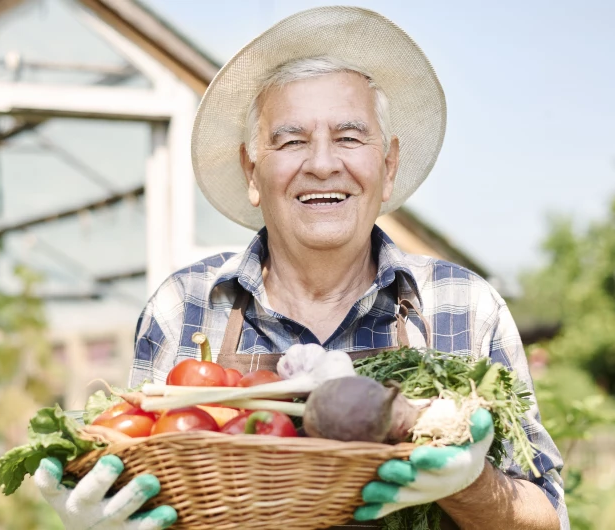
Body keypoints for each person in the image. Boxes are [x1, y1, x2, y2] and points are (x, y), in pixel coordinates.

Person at [34, 6, 568, 529]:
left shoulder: (463, 307)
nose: (321, 163)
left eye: (350, 137)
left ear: (388, 166)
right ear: (251, 170)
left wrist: (472, 485)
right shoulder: (186, 306)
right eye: (291, 141)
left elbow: (548, 516)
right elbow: (147, 474)